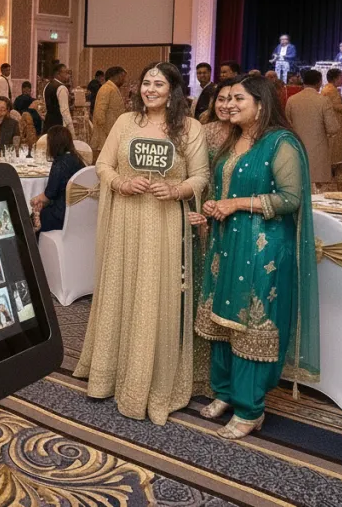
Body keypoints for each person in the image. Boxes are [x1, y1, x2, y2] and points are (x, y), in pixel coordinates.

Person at [74, 62, 209, 425]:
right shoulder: (125, 123)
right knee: (122, 289)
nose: (150, 89)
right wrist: (120, 183)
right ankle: (108, 374)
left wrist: (177, 189)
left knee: (156, 295)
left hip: (165, 222)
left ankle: (148, 381)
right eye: (146, 82)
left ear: (173, 91)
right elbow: (102, 165)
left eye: (159, 83)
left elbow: (200, 175)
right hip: (126, 220)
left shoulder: (190, 128)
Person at [196, 74, 319, 440]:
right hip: (226, 243)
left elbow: (290, 199)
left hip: (263, 248)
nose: (229, 104)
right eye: (227, 98)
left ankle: (251, 409)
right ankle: (226, 393)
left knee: (250, 323)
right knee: (221, 319)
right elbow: (224, 186)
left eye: (238, 99)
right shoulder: (233, 140)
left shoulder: (281, 144)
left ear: (261, 105)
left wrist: (234, 204)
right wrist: (214, 206)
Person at [284, 69, 340, 186]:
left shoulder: (292, 100)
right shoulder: (323, 101)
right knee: (318, 191)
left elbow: (287, 126)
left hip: (296, 149)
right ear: (319, 82)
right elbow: (333, 128)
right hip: (319, 153)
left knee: (298, 186)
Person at [31, 126, 86, 233]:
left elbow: (49, 195)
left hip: (61, 215)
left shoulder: (60, 163)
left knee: (29, 219)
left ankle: (36, 249)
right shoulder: (76, 159)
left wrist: (33, 200)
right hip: (79, 212)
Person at [92, 66, 127, 156]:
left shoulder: (112, 88)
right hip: (105, 135)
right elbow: (99, 113)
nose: (124, 80)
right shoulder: (106, 89)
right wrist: (109, 133)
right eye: (123, 77)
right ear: (117, 76)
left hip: (111, 132)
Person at [322, 69, 342, 169]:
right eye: (341, 77)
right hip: (334, 121)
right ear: (335, 78)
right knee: (335, 146)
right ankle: (333, 167)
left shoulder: (331, 88)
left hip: (335, 119)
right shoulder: (330, 90)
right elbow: (335, 105)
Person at [43, 64, 74, 136]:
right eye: (65, 73)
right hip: (58, 126)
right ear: (58, 74)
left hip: (48, 123)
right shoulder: (62, 88)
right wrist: (71, 131)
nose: (68, 75)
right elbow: (64, 111)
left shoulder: (47, 85)